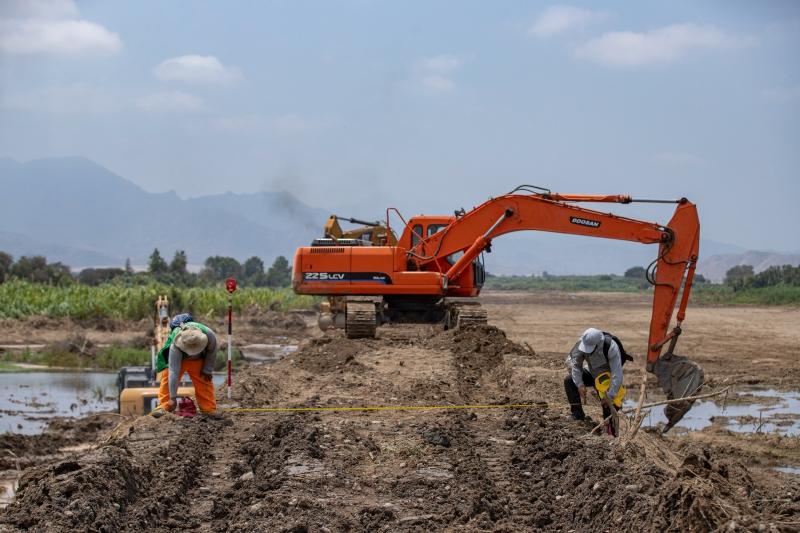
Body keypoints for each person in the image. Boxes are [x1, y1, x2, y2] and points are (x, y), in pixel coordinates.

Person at [151, 320, 218, 417]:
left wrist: (207, 369)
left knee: (204, 380)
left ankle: (209, 409)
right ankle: (164, 406)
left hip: (199, 360)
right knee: (167, 377)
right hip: (180, 359)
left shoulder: (209, 335)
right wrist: (173, 398)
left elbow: (212, 351)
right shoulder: (175, 346)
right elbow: (173, 372)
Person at [564, 328, 626, 429]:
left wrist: (610, 395)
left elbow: (617, 374)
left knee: (608, 405)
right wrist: (580, 384)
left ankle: (610, 431)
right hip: (591, 372)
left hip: (606, 378)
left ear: (598, 343)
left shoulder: (611, 346)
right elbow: (576, 365)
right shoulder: (582, 344)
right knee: (569, 381)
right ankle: (577, 415)